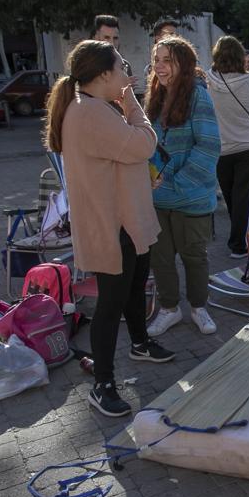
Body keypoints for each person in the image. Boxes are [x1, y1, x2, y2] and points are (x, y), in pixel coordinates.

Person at [44, 39, 174, 417]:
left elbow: (120, 158)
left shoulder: (95, 107)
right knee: (110, 305)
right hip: (113, 225)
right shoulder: (91, 112)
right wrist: (132, 102)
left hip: (126, 220)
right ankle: (102, 384)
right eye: (121, 67)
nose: (127, 74)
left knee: (134, 287)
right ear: (103, 75)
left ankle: (140, 342)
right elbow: (145, 143)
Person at [144, 37, 221, 339]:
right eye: (156, 60)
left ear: (183, 64)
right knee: (160, 257)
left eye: (167, 60)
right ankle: (169, 308)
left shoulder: (198, 97)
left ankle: (199, 307)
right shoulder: (154, 96)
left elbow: (209, 145)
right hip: (158, 196)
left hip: (191, 196)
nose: (159, 67)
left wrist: (176, 181)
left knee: (194, 256)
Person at [207, 35, 249, 260]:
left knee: (232, 196)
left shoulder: (209, 81)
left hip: (221, 147)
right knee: (244, 196)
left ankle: (240, 237)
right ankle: (241, 242)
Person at [91, 14, 137, 88]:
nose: (112, 43)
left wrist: (126, 91)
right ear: (95, 38)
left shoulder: (125, 65)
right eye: (106, 37)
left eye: (115, 38)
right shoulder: (86, 65)